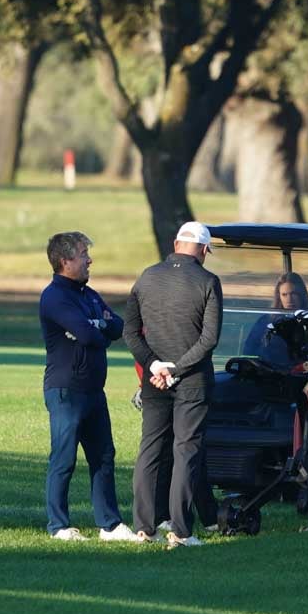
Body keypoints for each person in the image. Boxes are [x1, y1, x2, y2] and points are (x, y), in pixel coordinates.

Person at [124, 221, 223, 548]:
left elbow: (130, 332)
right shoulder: (208, 281)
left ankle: (144, 526)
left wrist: (155, 365)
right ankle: (180, 530)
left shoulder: (147, 277)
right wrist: (176, 369)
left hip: (154, 380)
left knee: (150, 448)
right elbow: (209, 340)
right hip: (192, 380)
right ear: (205, 250)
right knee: (186, 450)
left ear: (176, 243)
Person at [38, 231, 135, 542]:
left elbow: (118, 326)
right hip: (67, 390)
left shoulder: (88, 295)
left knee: (104, 456)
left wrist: (97, 325)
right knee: (64, 458)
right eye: (83, 254)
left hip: (94, 390)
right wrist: (96, 327)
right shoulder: (55, 297)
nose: (89, 259)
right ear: (65, 260)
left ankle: (110, 525)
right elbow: (91, 335)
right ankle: (58, 526)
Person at [240, 272, 308, 366]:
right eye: (284, 294)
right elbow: (249, 351)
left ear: (302, 295)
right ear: (279, 297)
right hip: (268, 372)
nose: (289, 299)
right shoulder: (265, 321)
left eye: (294, 294)